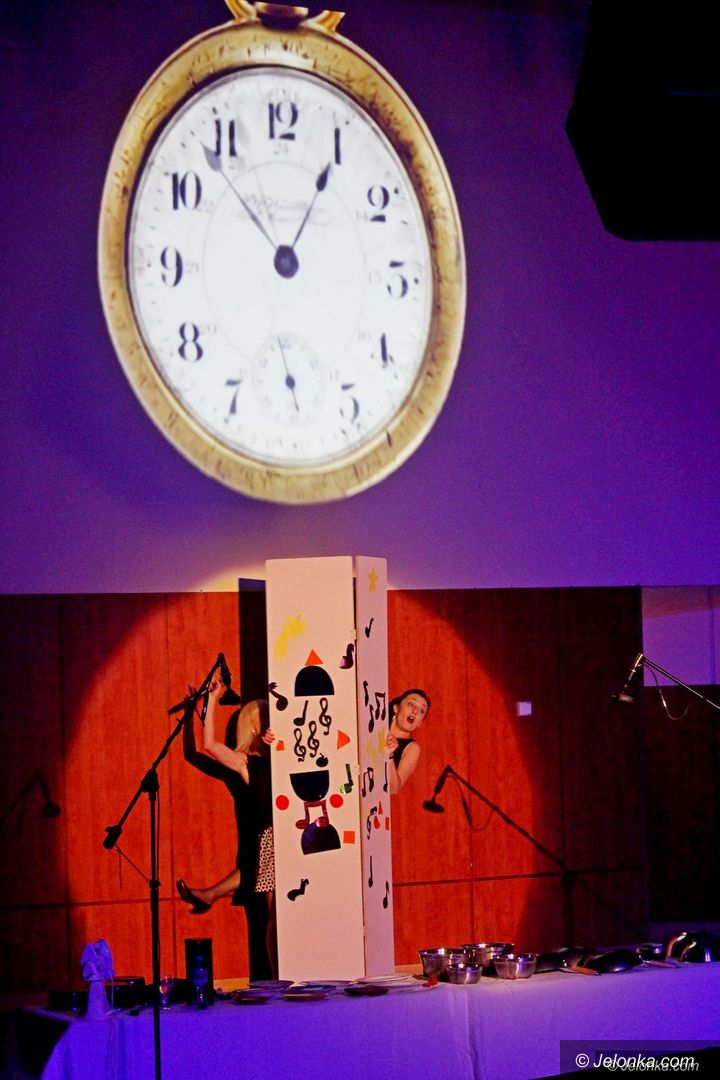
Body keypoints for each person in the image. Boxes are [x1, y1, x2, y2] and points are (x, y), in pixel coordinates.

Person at [176, 680, 276, 980]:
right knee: (274, 920)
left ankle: (211, 893)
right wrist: (210, 702)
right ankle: (277, 976)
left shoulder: (278, 761)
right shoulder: (246, 763)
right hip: (267, 841)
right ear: (254, 727)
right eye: (266, 719)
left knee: (273, 914)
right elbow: (204, 748)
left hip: (278, 841)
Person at [385, 688, 430, 794]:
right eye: (411, 704)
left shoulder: (412, 748)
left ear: (420, 723)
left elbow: (393, 789)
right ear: (396, 708)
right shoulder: (376, 727)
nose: (415, 711)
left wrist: (389, 756)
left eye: (421, 710)